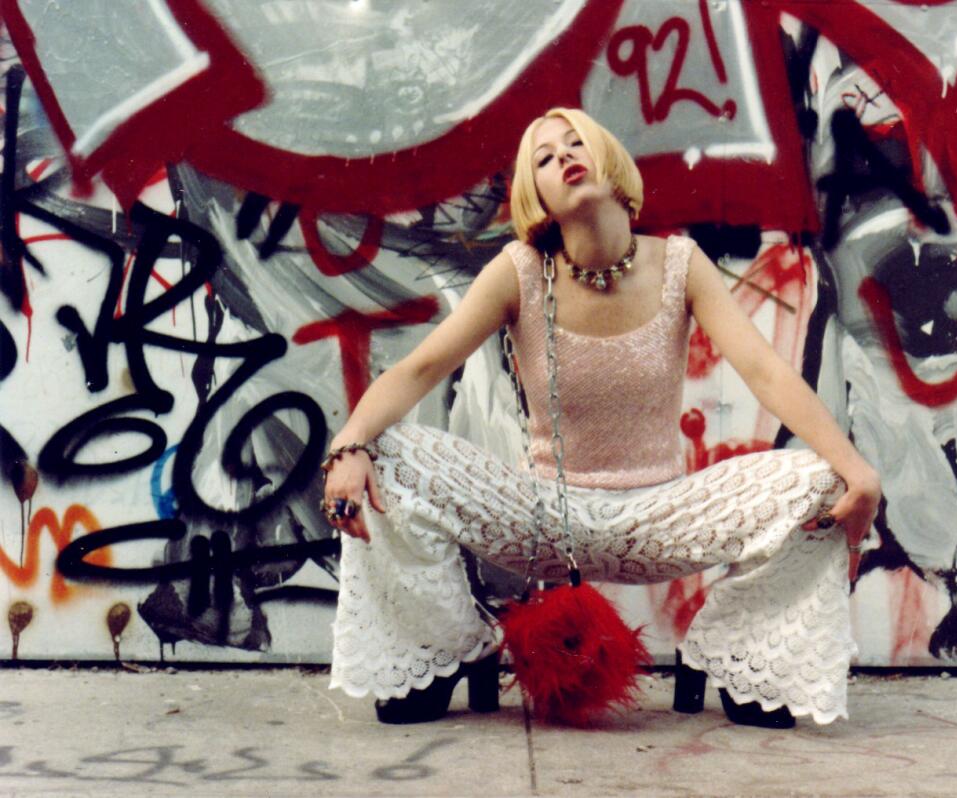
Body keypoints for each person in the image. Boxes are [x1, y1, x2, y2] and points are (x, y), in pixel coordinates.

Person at [321, 107, 882, 728]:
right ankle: (441, 650)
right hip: (539, 514)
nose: (563, 156)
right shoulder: (518, 273)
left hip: (664, 516)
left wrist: (859, 472)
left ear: (609, 162)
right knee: (384, 453)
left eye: (575, 142)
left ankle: (740, 659)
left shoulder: (680, 265)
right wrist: (348, 449)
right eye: (543, 157)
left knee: (822, 480)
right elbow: (420, 369)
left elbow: (767, 372)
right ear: (537, 197)